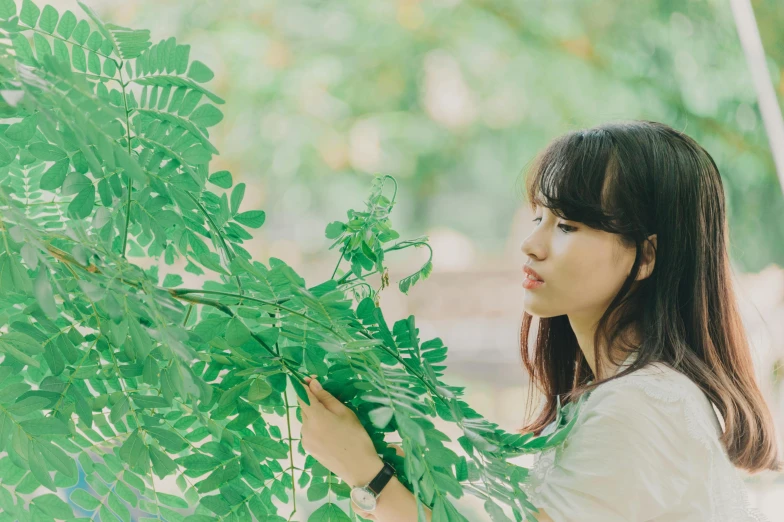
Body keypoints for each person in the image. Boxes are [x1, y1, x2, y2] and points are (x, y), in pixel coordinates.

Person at [297, 120, 782, 521]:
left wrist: (366, 476)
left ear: (646, 256)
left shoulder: (636, 407)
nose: (533, 245)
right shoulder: (621, 394)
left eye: (568, 225)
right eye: (540, 217)